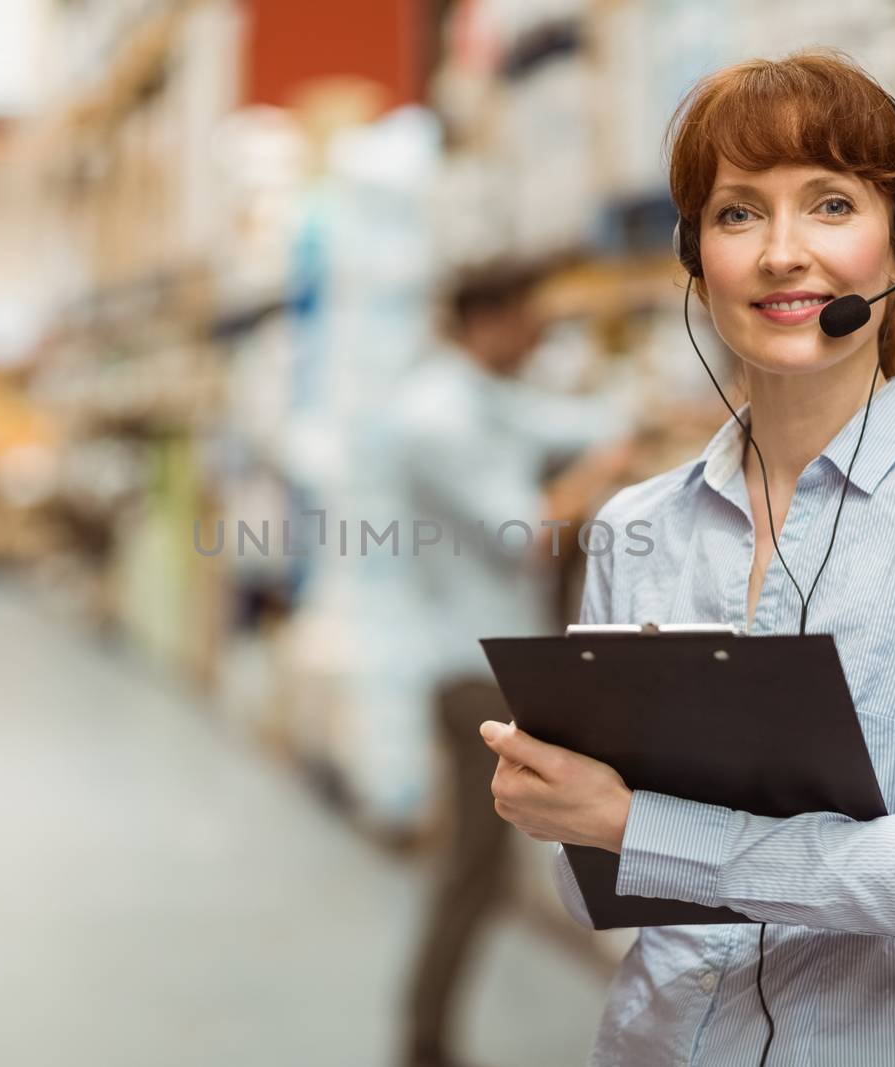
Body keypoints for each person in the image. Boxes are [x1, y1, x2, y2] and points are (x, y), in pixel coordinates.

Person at [479, 52, 895, 1066]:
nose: (785, 253)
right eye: (739, 213)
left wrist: (641, 822)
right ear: (695, 255)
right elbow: (596, 880)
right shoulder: (633, 525)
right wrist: (563, 803)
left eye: (830, 204)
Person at [393, 262, 634, 1067]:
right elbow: (524, 532)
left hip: (491, 659)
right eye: (530, 319)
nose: (539, 336)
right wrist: (605, 472)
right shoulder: (437, 413)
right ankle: (424, 1043)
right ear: (488, 318)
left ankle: (425, 1037)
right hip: (474, 671)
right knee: (473, 870)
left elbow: (560, 421)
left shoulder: (483, 394)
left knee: (477, 868)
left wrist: (628, 424)